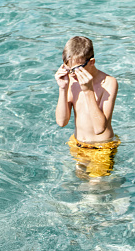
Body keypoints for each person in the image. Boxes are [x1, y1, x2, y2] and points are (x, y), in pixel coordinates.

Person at [55, 36, 120, 178]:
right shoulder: (71, 80)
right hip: (77, 144)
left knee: (93, 192)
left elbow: (99, 128)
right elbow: (61, 122)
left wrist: (88, 90)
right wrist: (62, 88)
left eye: (76, 69)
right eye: (68, 69)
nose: (72, 74)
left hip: (102, 147)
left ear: (91, 62)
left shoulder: (109, 83)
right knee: (79, 182)